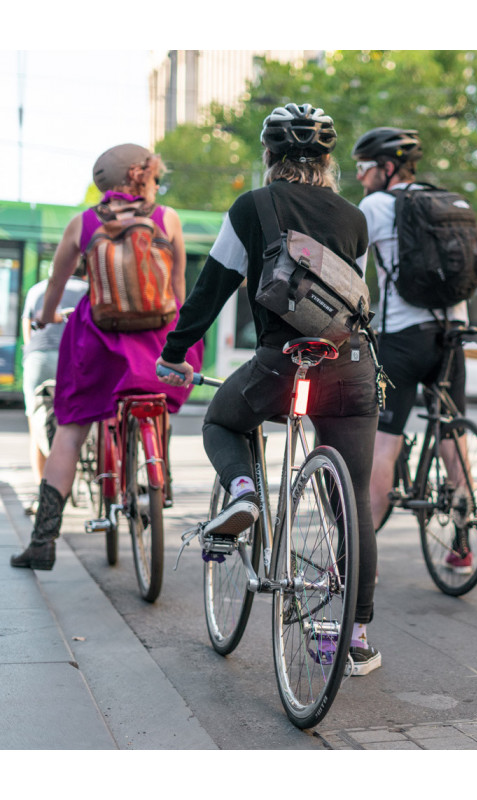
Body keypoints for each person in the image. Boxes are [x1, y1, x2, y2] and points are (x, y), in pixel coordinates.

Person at [156, 103, 382, 675]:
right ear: (329, 161)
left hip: (282, 365)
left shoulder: (253, 206)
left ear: (269, 157)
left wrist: (174, 353)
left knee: (221, 420)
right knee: (351, 497)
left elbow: (212, 288)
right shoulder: (355, 218)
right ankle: (355, 637)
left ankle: (243, 493)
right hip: (351, 364)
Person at [11, 143, 202, 571]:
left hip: (99, 342)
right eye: (154, 177)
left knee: (71, 428)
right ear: (140, 178)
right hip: (157, 341)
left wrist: (44, 317)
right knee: (159, 395)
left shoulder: (83, 223)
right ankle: (159, 473)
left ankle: (43, 541)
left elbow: (56, 284)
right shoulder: (166, 218)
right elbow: (177, 287)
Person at [351, 127, 472, 573]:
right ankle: (463, 540)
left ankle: (359, 558)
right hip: (454, 332)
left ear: (385, 169)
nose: (360, 179)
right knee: (452, 433)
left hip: (404, 335)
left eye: (364, 169)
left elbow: (354, 274)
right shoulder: (446, 201)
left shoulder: (375, 205)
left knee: (385, 443)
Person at [21, 266, 88, 504]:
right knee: (77, 421)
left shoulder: (36, 289)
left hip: (38, 357)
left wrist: (30, 357)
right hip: (74, 357)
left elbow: (28, 331)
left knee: (36, 424)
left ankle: (43, 494)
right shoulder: (88, 289)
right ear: (85, 272)